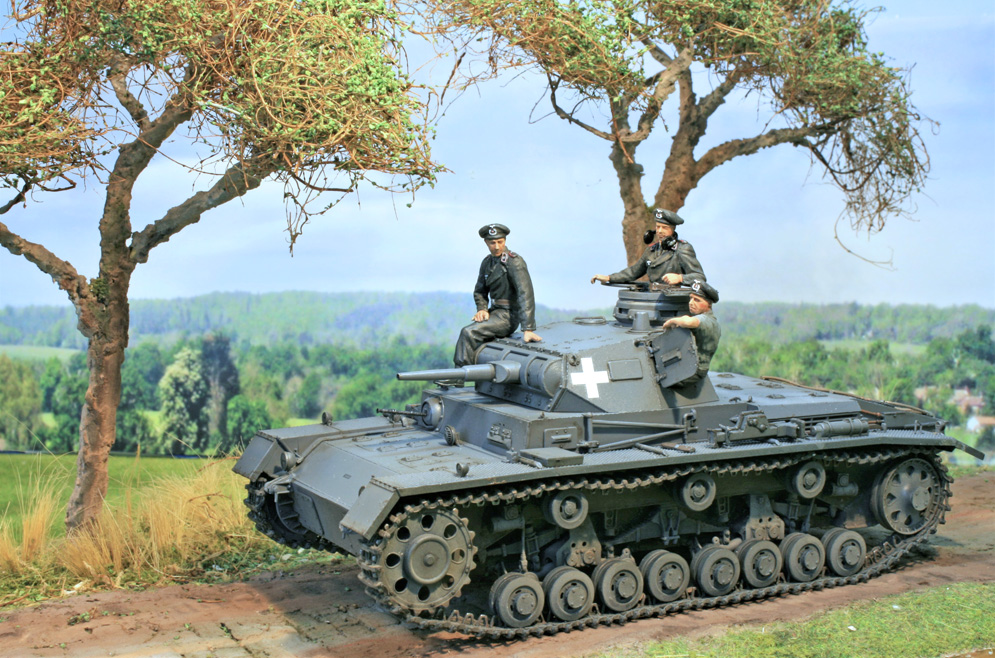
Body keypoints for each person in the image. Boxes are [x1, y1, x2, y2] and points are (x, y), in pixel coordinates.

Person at [453, 224, 542, 367]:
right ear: (486, 242)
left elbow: (525, 294)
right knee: (471, 333)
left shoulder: (514, 262)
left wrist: (528, 328)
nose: (496, 247)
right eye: (492, 243)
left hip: (509, 315)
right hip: (494, 312)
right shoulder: (487, 263)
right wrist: (482, 309)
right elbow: (480, 290)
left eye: (500, 242)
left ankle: (460, 374)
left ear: (505, 240)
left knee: (468, 333)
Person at [591, 208, 706, 286]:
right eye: (658, 227)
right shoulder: (651, 250)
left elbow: (700, 277)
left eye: (665, 227)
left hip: (673, 302)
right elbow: (633, 272)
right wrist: (609, 278)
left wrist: (680, 278)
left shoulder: (682, 249)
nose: (660, 231)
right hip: (651, 298)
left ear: (673, 229)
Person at [662, 280, 721, 386]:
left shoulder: (708, 321)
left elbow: (689, 322)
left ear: (708, 304)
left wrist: (672, 321)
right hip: (689, 366)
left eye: (697, 300)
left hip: (694, 371)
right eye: (691, 298)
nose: (691, 303)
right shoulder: (705, 319)